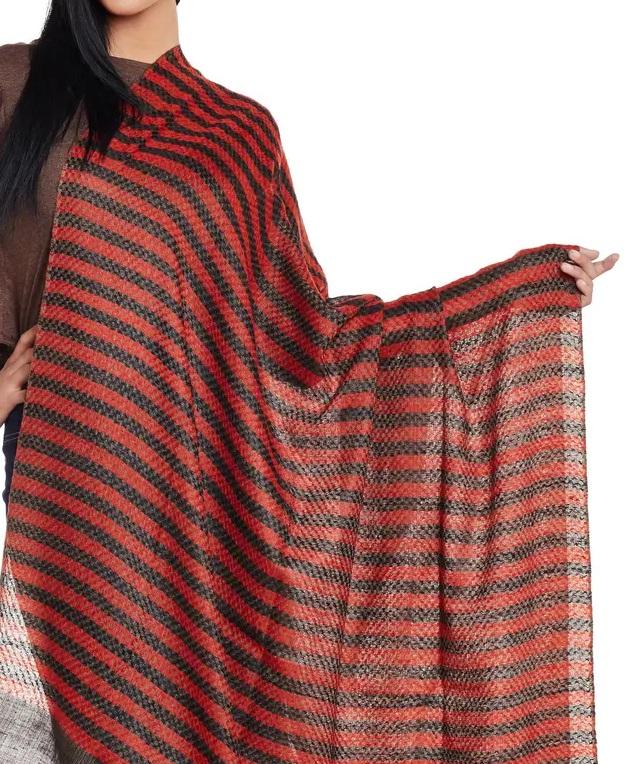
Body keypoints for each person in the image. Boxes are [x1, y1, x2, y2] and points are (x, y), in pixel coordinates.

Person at [0, 1, 620, 761]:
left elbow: (308, 344)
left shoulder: (237, 133)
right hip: (68, 484)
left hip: (207, 509)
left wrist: (514, 295)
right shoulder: (19, 83)